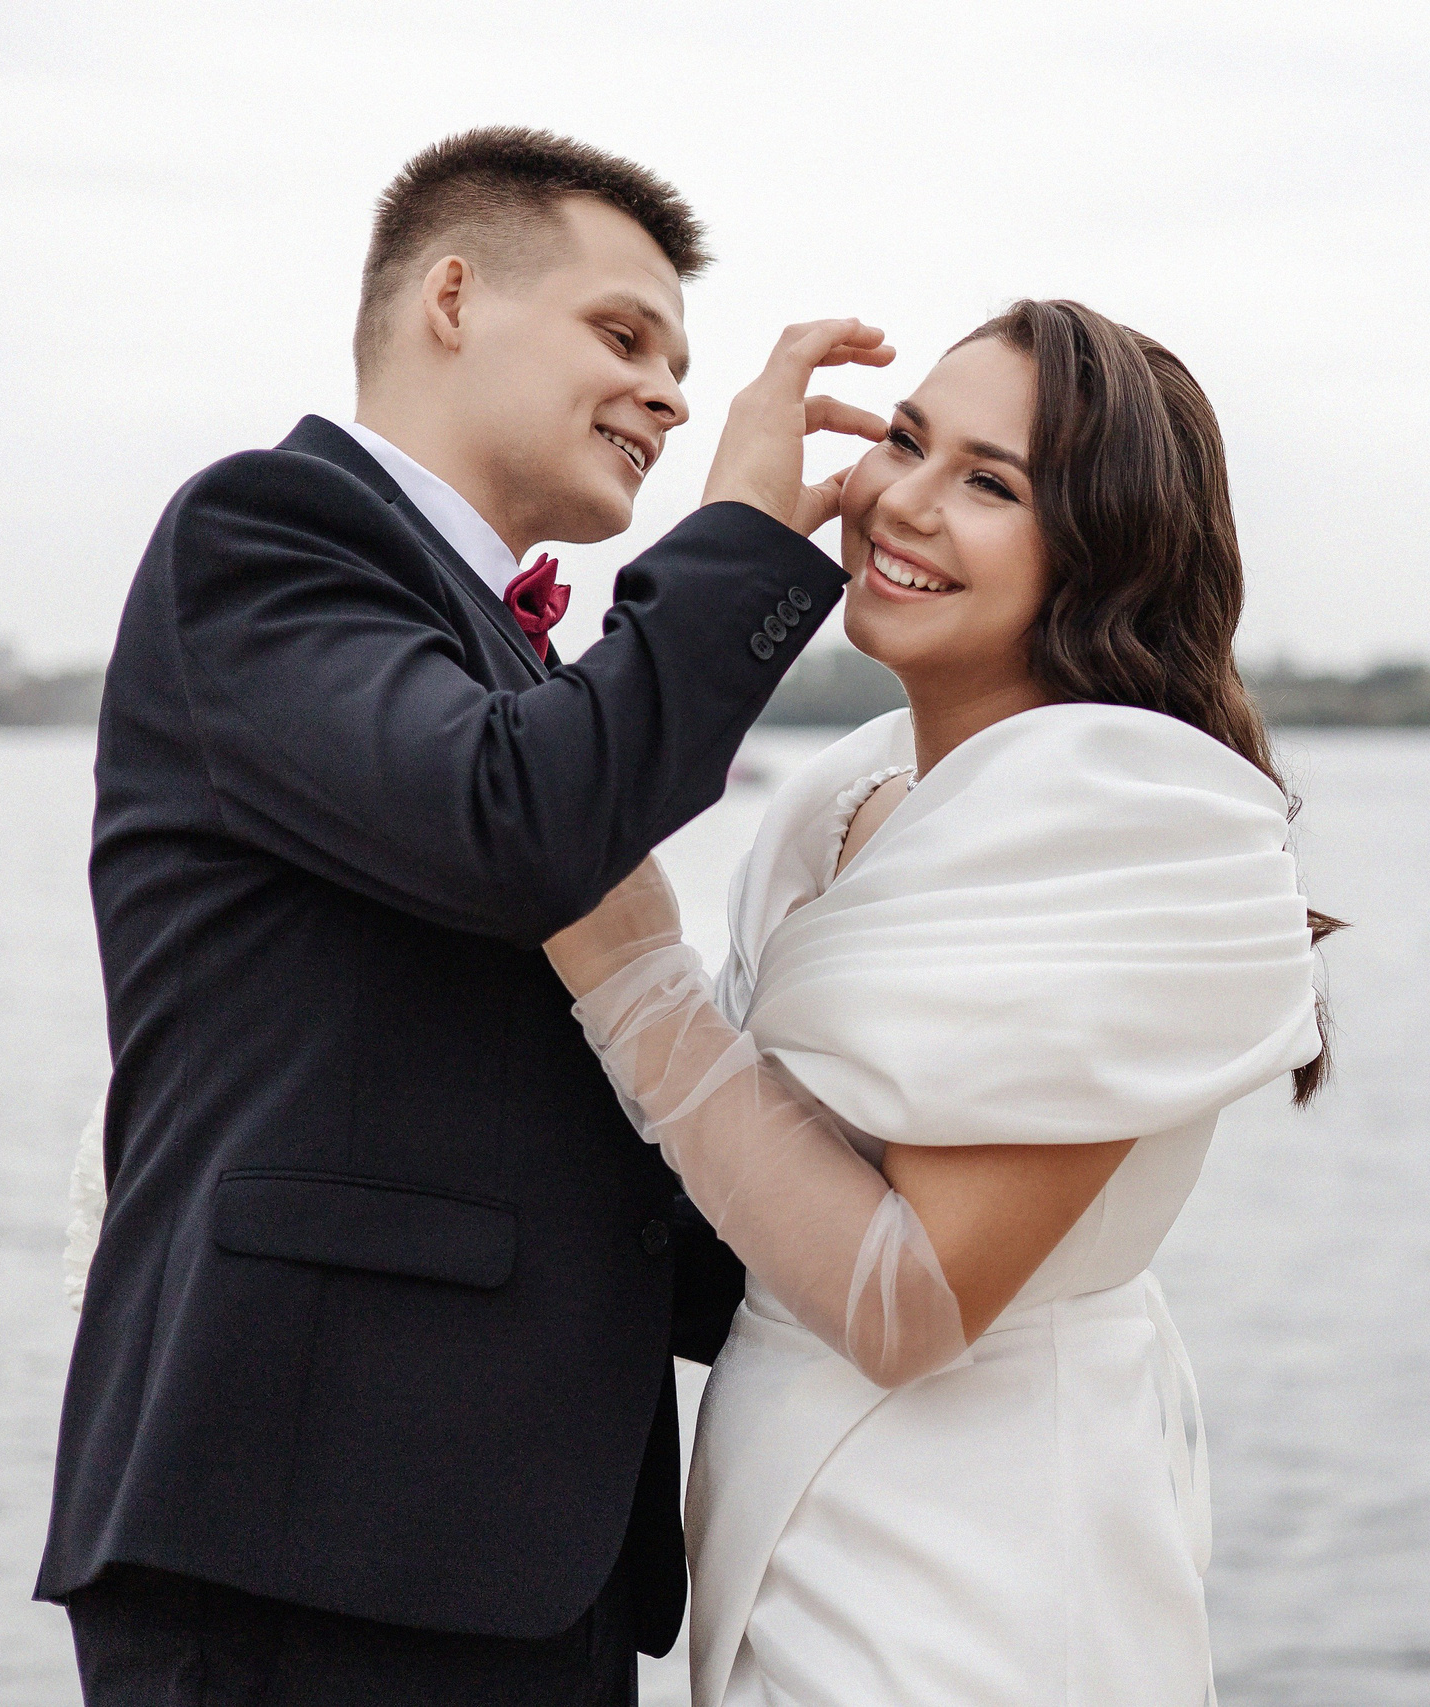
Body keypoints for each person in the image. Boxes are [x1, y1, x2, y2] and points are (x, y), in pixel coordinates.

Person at [38, 125, 892, 1705]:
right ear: (450, 296)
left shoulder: (514, 672)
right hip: (301, 1547)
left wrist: (902, 1257)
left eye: (681, 360)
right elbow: (522, 825)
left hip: (515, 1555)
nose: (672, 394)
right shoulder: (263, 540)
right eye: (622, 335)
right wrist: (755, 543)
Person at [542, 299, 1338, 1705]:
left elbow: (911, 1302)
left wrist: (629, 966)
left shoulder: (1127, 830)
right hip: (795, 1543)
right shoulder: (843, 796)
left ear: (1105, 557)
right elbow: (727, 1168)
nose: (901, 503)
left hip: (977, 1580)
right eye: (905, 442)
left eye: (989, 482)